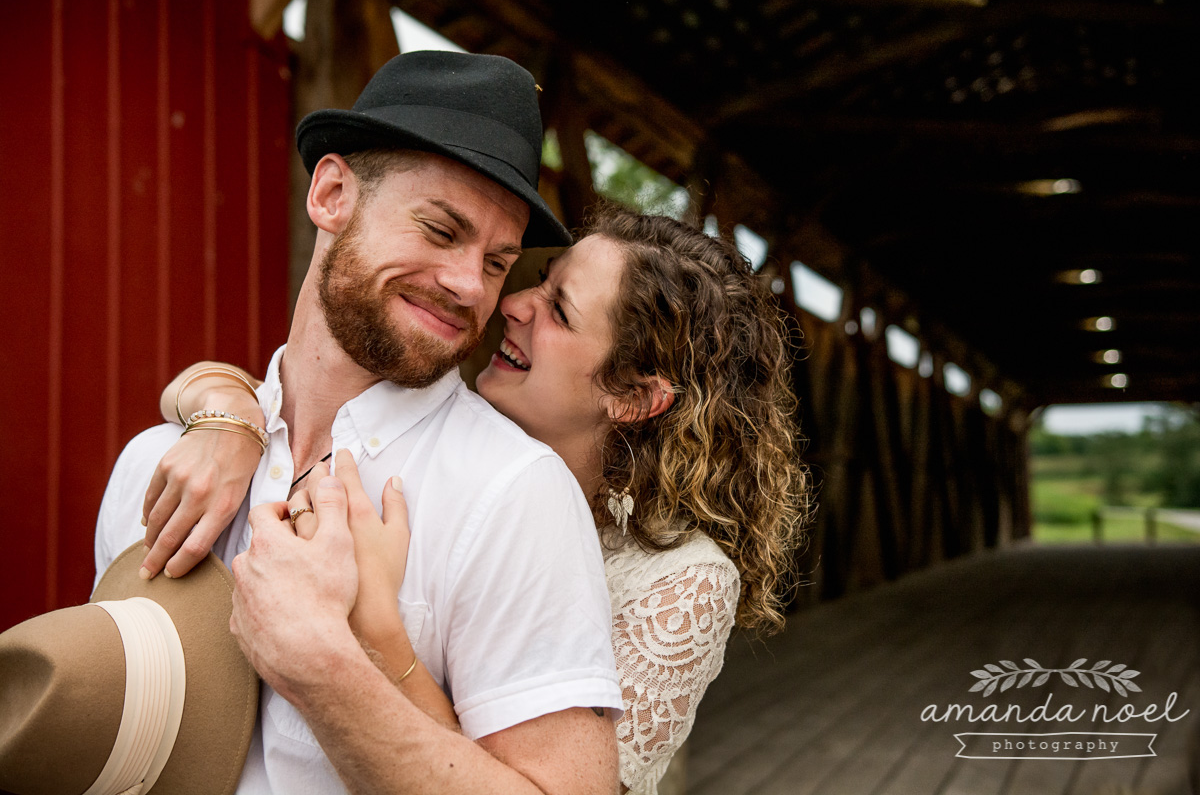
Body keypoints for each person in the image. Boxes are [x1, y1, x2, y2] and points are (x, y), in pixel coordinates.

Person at [94, 51, 625, 795]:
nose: (470, 285)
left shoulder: (514, 495)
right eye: (442, 231)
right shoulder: (155, 463)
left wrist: (322, 667)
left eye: (498, 262)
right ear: (333, 193)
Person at [143, 204, 811, 794]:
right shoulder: (446, 412)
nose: (517, 303)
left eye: (560, 310)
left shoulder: (682, 583)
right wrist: (225, 409)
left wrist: (376, 624)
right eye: (540, 283)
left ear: (633, 396)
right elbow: (300, 382)